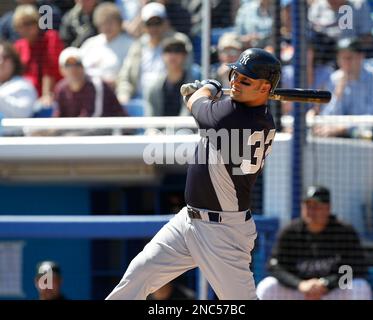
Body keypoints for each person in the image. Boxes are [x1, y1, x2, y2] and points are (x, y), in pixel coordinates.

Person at [106, 48, 280, 300]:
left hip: (222, 232)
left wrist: (207, 86)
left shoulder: (232, 117)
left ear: (264, 88)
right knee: (139, 274)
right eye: (234, 74)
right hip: (188, 220)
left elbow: (196, 104)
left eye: (245, 80)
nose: (235, 82)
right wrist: (210, 93)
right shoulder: (254, 114)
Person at [256, 185, 372, 300]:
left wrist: (326, 284)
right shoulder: (290, 232)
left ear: (328, 208)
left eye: (316, 206)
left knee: (359, 286)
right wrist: (299, 284)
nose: (311, 211)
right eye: (307, 206)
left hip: (331, 292)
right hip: (299, 291)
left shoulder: (344, 232)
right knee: (267, 286)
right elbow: (274, 267)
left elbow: (357, 267)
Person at [310, 37, 373, 137]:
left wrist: (343, 128)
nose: (345, 62)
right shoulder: (334, 78)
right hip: (340, 139)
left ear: (361, 57)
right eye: (341, 58)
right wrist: (338, 94)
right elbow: (327, 117)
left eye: (349, 58)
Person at [13, 4, 63, 108]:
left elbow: (49, 70)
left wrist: (47, 95)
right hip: (24, 98)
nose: (29, 27)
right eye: (24, 24)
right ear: (17, 27)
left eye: (33, 22)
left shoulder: (50, 38)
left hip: (49, 97)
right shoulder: (18, 47)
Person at [53, 46, 126, 118]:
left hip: (113, 128)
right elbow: (59, 117)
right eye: (68, 65)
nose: (73, 69)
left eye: (77, 64)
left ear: (83, 67)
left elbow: (92, 118)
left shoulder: (96, 85)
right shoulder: (60, 89)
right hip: (79, 129)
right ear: (61, 69)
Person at [80, 2, 134, 88]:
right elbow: (78, 66)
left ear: (119, 23)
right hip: (88, 91)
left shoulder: (130, 45)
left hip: (116, 93)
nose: (107, 27)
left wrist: (117, 82)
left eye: (111, 22)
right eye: (104, 23)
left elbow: (131, 74)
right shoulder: (90, 43)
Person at [145, 37, 199, 117]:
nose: (172, 55)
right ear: (162, 55)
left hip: (186, 128)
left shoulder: (195, 87)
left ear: (185, 56)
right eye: (168, 50)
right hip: (159, 128)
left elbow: (188, 117)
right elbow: (151, 118)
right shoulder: (154, 87)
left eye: (177, 50)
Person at [0, 40, 37, 118]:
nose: (1, 62)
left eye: (5, 57)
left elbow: (23, 112)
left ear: (14, 61)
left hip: (14, 130)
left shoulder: (23, 85)